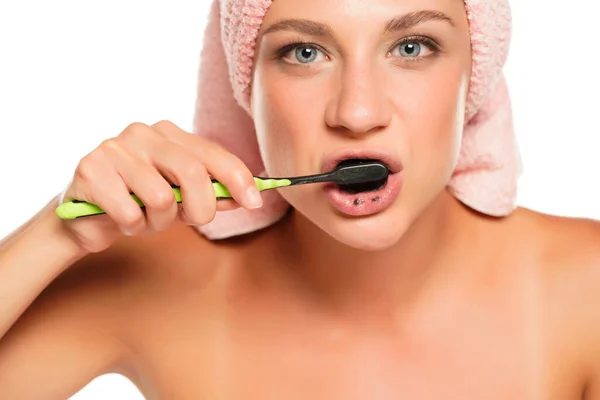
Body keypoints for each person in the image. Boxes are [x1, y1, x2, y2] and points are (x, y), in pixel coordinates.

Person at [0, 0, 599, 398]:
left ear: (477, 74)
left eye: (412, 47)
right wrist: (58, 233)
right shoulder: (149, 281)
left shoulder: (585, 290)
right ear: (245, 86)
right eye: (304, 53)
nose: (357, 112)